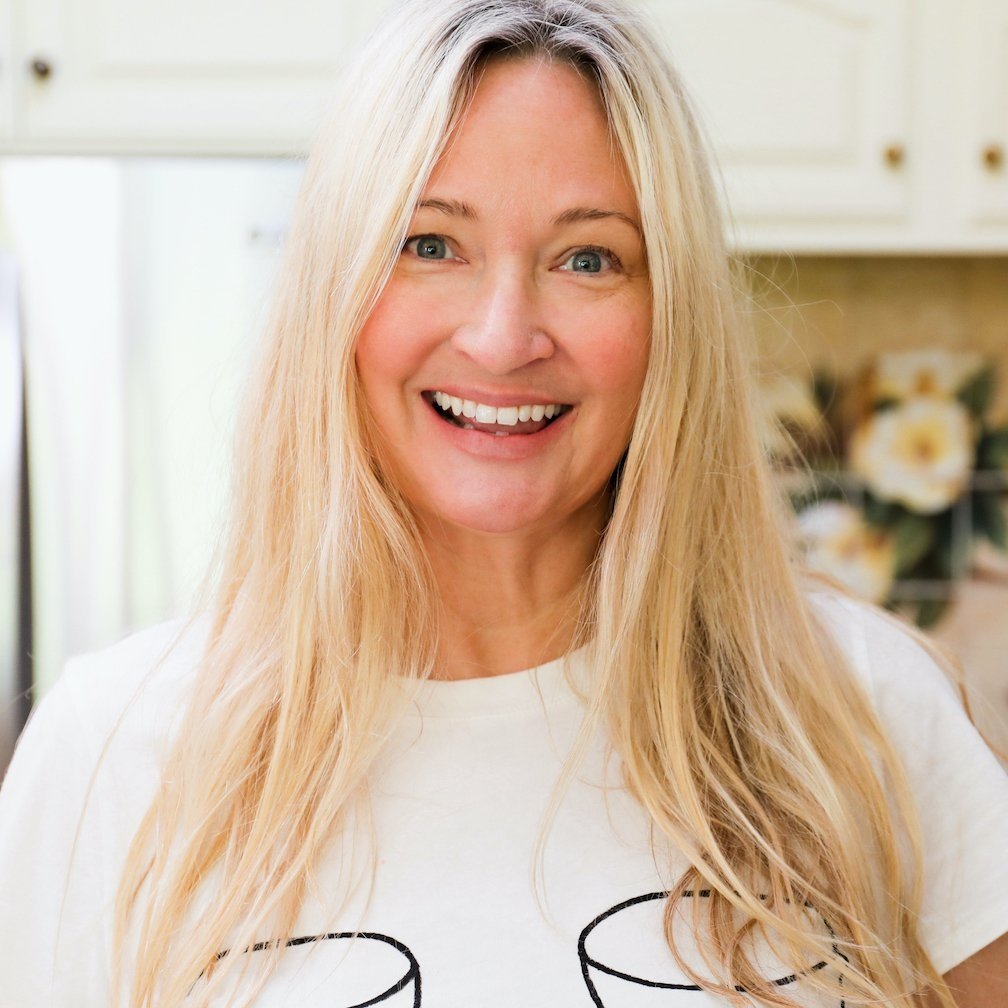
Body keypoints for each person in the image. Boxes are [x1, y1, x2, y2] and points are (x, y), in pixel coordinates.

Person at [1, 1, 1007, 1005]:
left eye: (588, 258)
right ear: (333, 294)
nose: (503, 335)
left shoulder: (857, 716)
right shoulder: (108, 755)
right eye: (430, 243)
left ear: (671, 320)